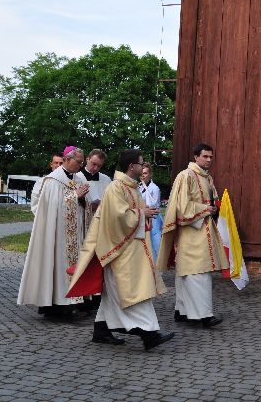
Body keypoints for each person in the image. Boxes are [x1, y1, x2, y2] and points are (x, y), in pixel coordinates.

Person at [67, 149, 174, 350]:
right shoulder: (116, 187)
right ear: (131, 166)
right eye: (141, 163)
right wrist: (143, 213)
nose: (143, 167)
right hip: (120, 251)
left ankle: (101, 330)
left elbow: (132, 214)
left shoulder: (131, 187)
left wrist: (145, 214)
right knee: (132, 292)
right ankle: (149, 334)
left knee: (114, 294)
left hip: (132, 249)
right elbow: (117, 219)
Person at [157, 143, 229, 327]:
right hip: (191, 232)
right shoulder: (186, 176)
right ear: (196, 157)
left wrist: (215, 208)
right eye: (205, 156)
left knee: (187, 273)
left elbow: (212, 201)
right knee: (198, 273)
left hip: (203, 230)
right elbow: (182, 207)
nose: (209, 160)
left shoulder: (207, 178)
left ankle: (182, 311)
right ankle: (204, 315)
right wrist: (206, 208)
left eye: (211, 157)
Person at [17, 146, 92, 318]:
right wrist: (75, 197)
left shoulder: (78, 178)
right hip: (57, 235)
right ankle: (58, 307)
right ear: (67, 160)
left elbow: (83, 203)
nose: (80, 166)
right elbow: (51, 207)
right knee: (57, 267)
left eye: (81, 162)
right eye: (78, 162)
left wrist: (84, 200)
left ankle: (73, 303)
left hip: (74, 234)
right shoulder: (53, 180)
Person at [139, 162, 163, 261]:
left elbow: (152, 204)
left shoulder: (154, 188)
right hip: (143, 218)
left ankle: (157, 270)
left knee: (155, 244)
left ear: (150, 174)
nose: (142, 176)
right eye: (141, 173)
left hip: (154, 219)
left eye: (145, 173)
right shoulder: (138, 187)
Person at [80, 149, 112, 214]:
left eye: (99, 166)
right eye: (94, 164)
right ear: (87, 159)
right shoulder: (77, 178)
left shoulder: (106, 179)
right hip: (83, 216)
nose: (96, 168)